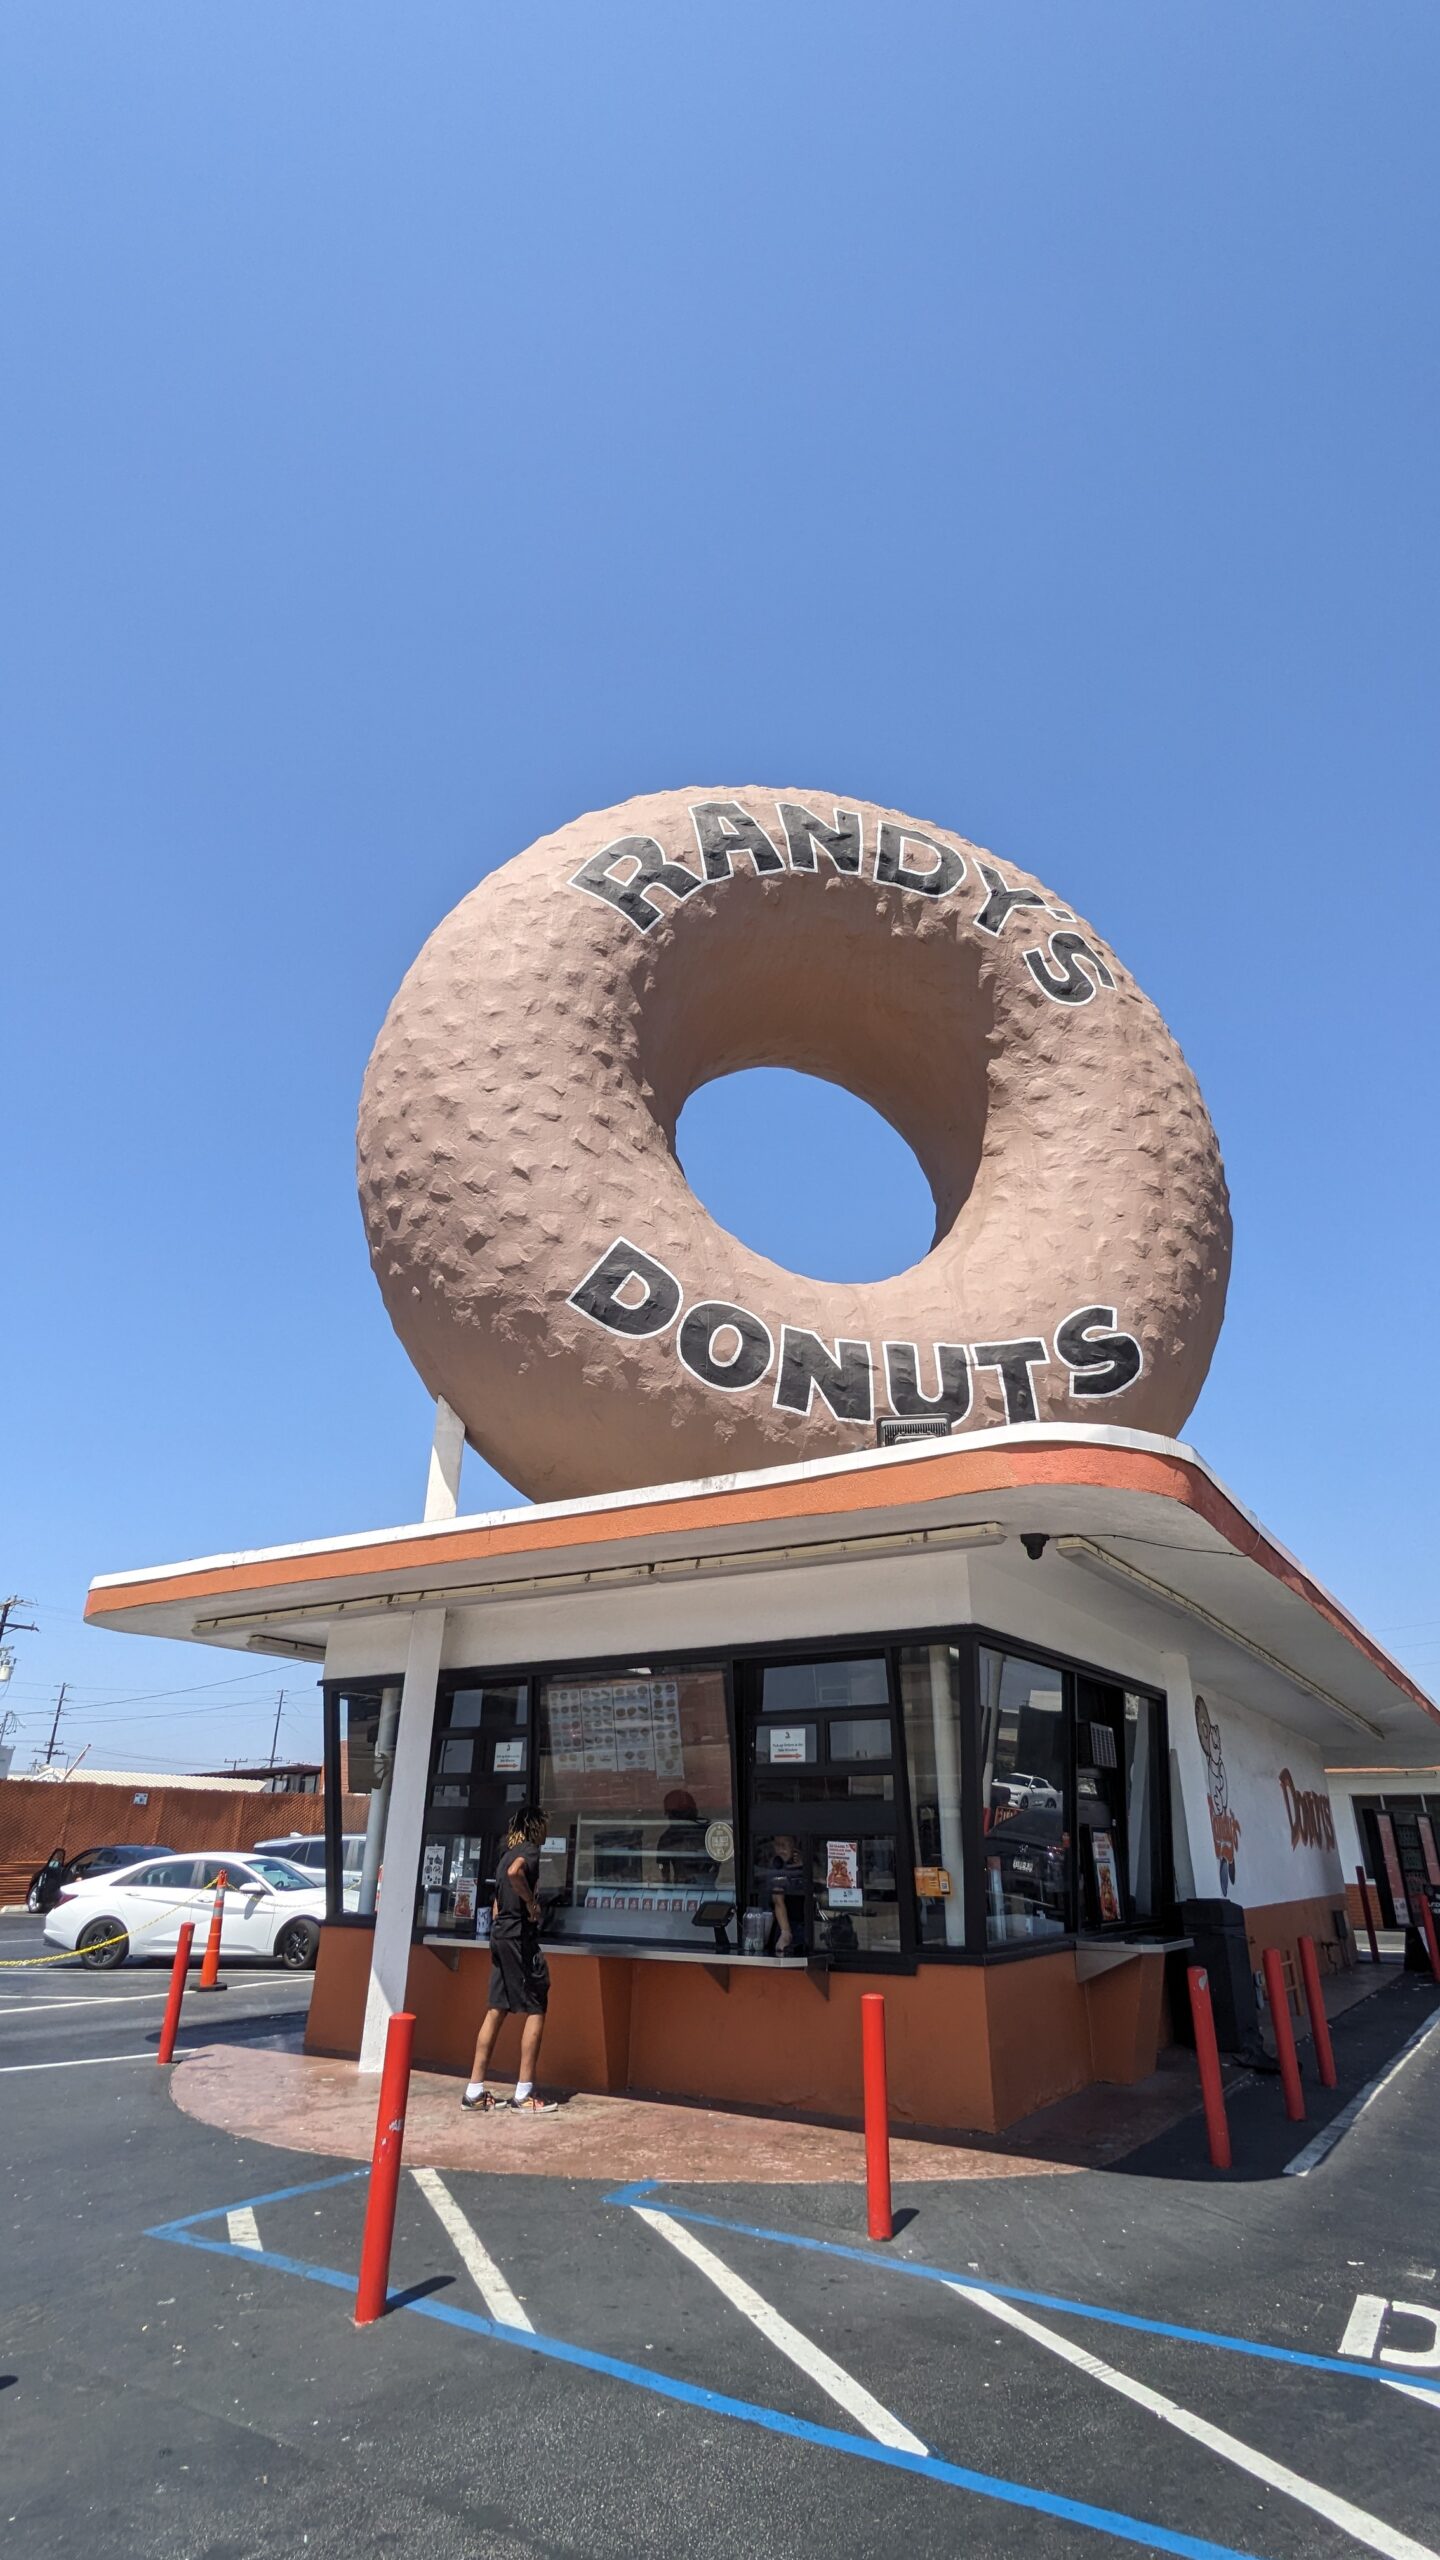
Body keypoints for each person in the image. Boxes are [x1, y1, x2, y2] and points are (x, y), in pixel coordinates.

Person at [463, 1807, 557, 2115]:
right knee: (536, 2004)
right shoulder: (528, 1851)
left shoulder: (505, 1852)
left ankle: (474, 2091)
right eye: (544, 1826)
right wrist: (531, 1903)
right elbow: (515, 1873)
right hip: (519, 1937)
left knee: (496, 2008)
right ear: (535, 1827)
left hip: (500, 1933)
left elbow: (495, 1903)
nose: (546, 1832)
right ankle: (524, 2093)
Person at [764, 1832, 808, 1955]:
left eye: (785, 1844)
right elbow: (778, 1900)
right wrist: (785, 1932)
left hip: (807, 1922)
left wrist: (804, 1865)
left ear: (794, 1845)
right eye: (778, 1844)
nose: (781, 1848)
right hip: (788, 1925)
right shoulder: (776, 1867)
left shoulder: (801, 1863)